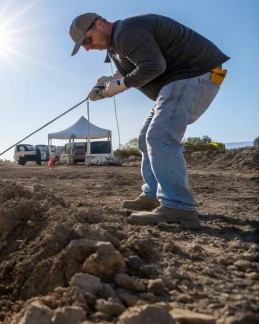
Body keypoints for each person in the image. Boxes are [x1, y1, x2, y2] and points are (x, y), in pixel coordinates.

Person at [69, 13, 229, 229]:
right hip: (178, 82)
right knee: (146, 139)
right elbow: (131, 66)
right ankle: (153, 195)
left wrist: (122, 84)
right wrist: (106, 81)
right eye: (83, 45)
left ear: (99, 24)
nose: (87, 48)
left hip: (193, 75)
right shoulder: (118, 44)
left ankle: (178, 206)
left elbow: (153, 66)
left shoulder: (127, 32)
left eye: (87, 40)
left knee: (160, 136)